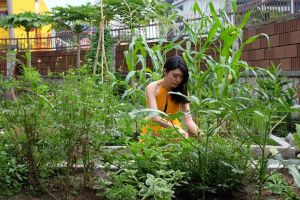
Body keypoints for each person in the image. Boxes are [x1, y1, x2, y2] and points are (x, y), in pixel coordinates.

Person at [141, 55, 200, 139]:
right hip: (152, 130)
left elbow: (188, 120)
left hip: (174, 132)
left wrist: (203, 136)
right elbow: (155, 117)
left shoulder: (183, 91)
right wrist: (179, 130)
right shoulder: (152, 87)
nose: (178, 80)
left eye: (181, 77)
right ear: (165, 72)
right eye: (175, 75)